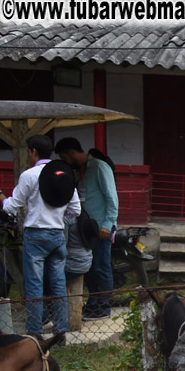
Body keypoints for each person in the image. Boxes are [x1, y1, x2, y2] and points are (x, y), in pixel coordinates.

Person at [0, 135, 79, 338]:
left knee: (35, 285)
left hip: (35, 234)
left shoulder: (29, 175)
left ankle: (35, 332)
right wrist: (58, 217)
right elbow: (75, 209)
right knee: (58, 284)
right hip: (58, 233)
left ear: (33, 152)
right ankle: (61, 332)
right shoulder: (64, 174)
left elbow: (12, 208)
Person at [54, 137, 117, 319]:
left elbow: (112, 197)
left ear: (72, 152)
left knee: (101, 266)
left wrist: (108, 223)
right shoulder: (79, 171)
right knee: (89, 267)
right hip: (85, 228)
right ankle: (93, 302)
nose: (65, 161)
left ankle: (103, 307)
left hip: (101, 226)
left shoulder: (98, 167)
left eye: (64, 157)